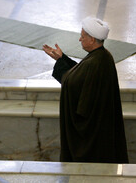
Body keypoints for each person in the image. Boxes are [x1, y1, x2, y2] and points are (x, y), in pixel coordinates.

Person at [43, 16, 129, 163]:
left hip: (93, 136)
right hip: (101, 128)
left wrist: (61, 63)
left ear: (92, 40)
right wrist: (61, 59)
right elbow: (79, 75)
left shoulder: (95, 62)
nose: (79, 39)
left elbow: (72, 83)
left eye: (82, 36)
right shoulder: (102, 56)